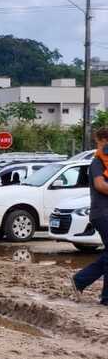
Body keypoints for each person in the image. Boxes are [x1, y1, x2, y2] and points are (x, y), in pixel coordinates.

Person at [72, 127, 108, 304]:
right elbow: (100, 185)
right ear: (103, 141)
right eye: (101, 142)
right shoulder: (97, 163)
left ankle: (81, 280)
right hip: (102, 213)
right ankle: (106, 297)